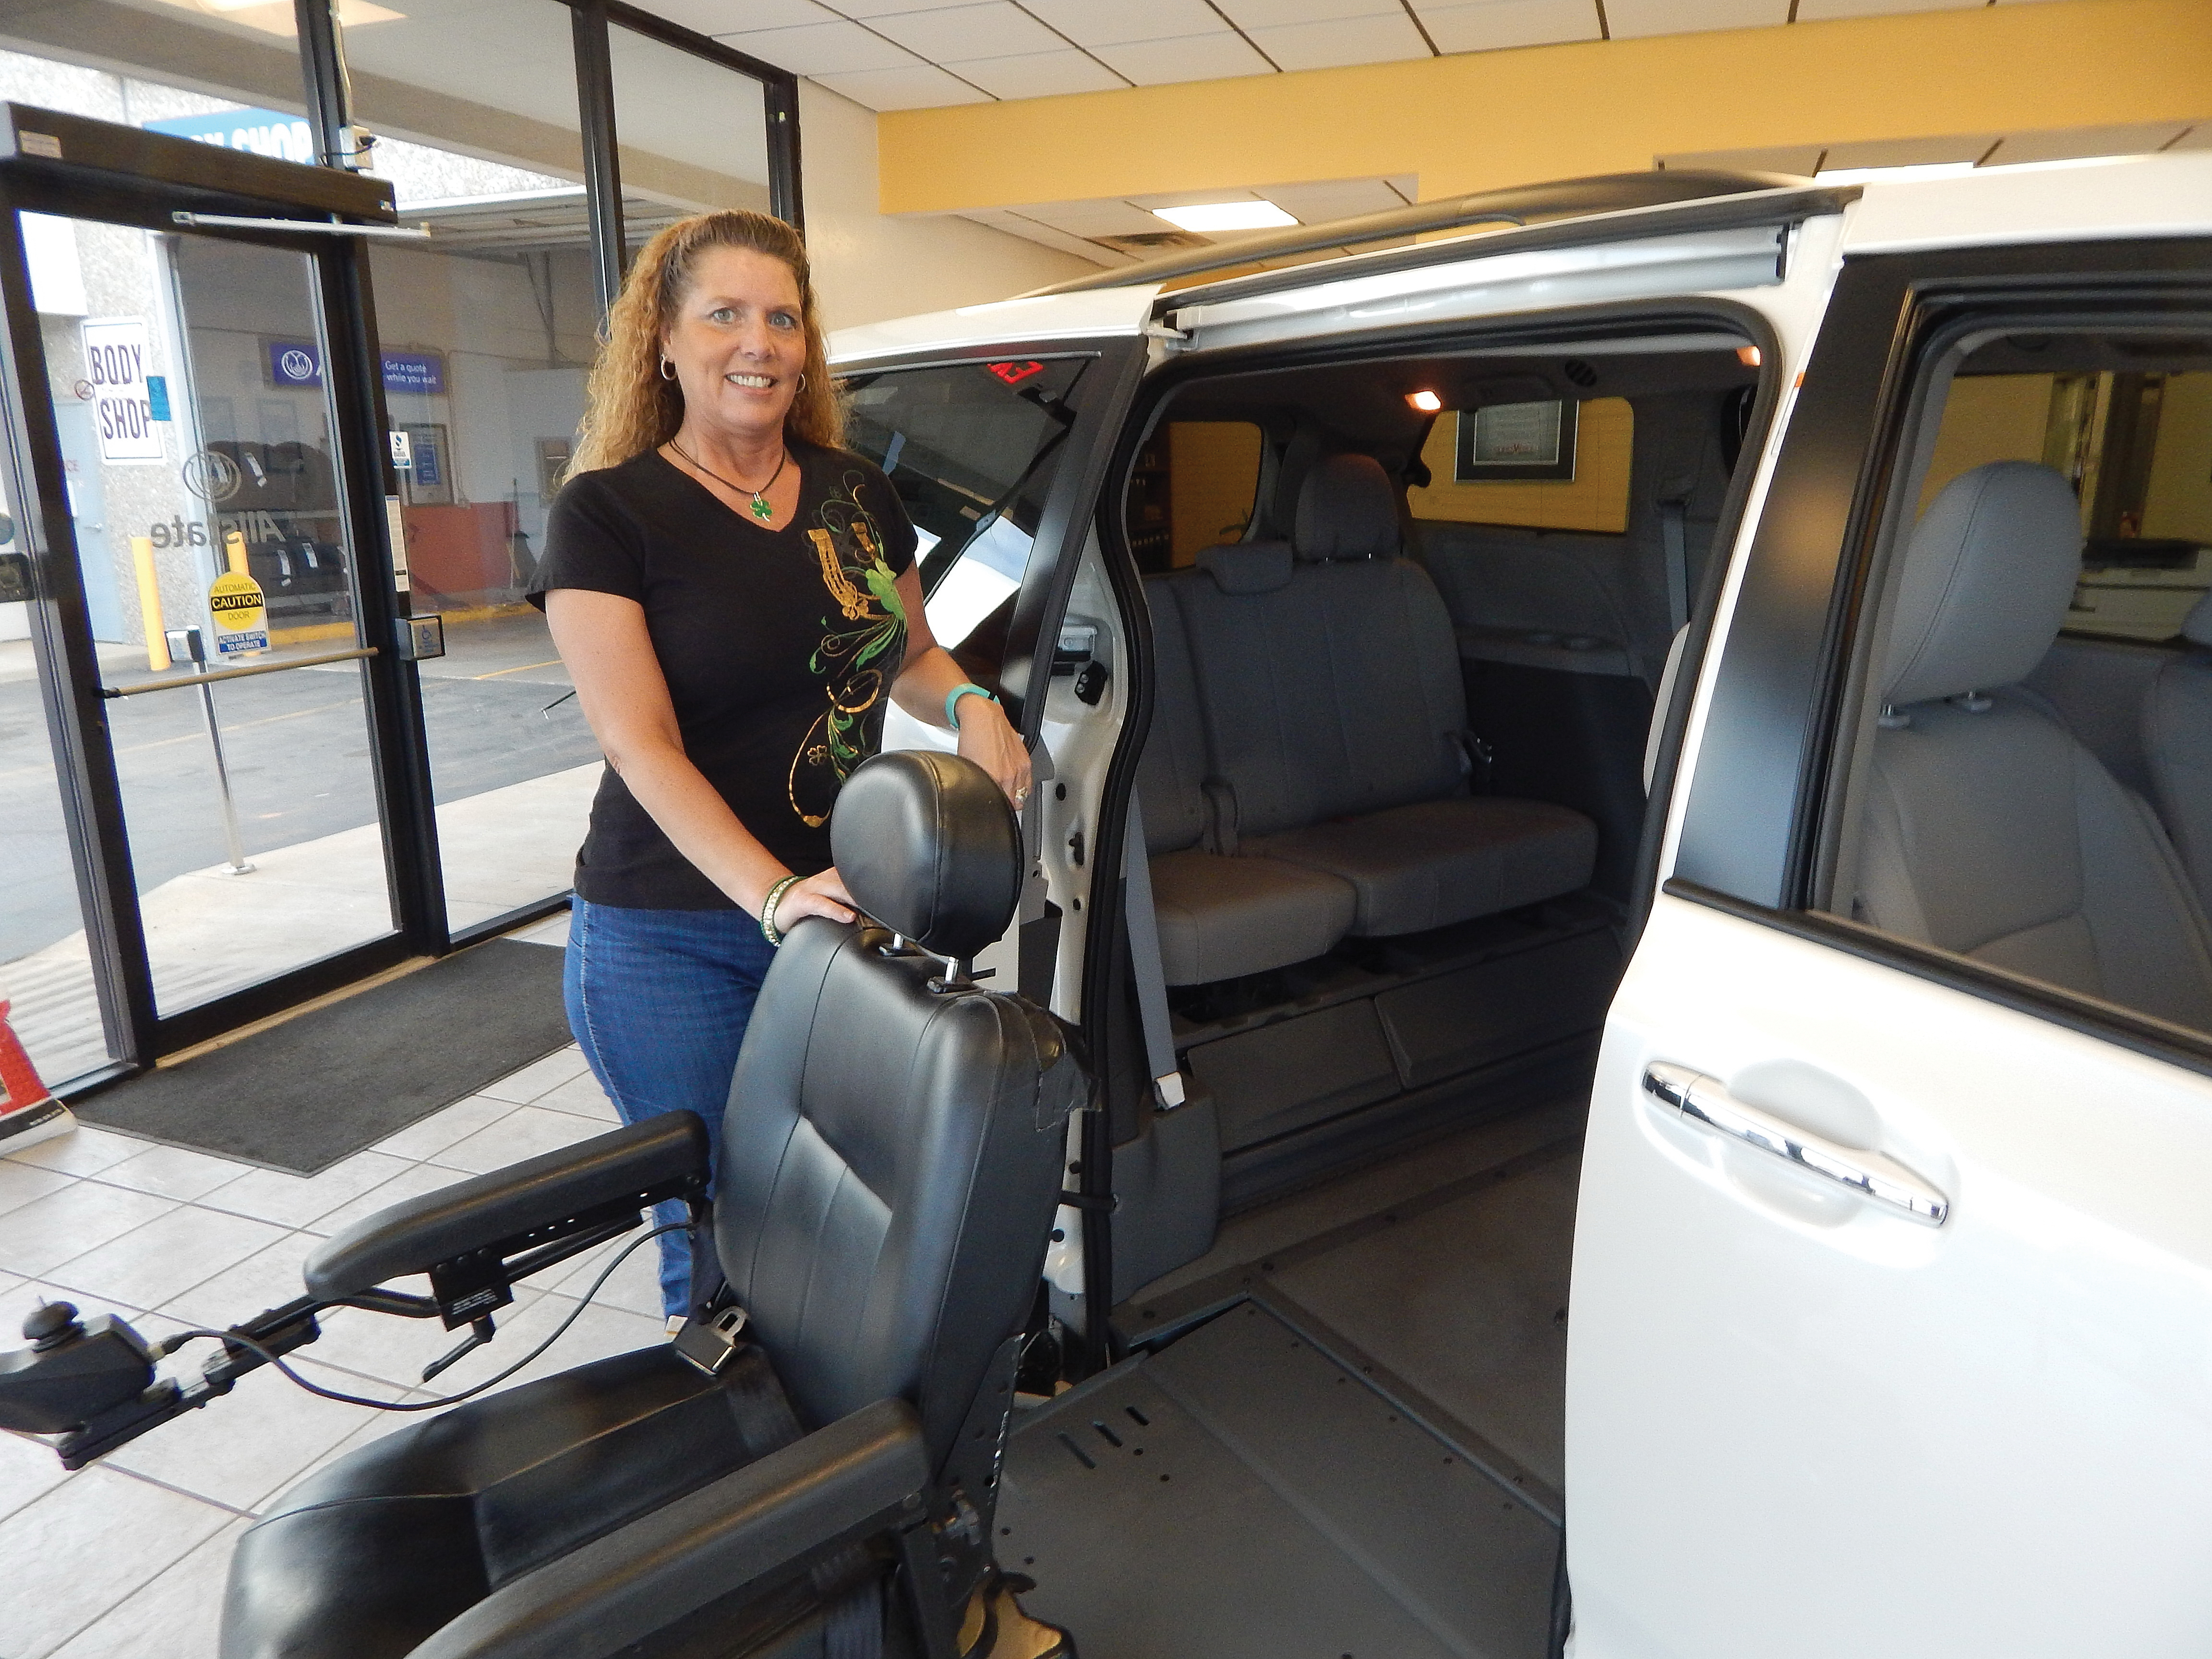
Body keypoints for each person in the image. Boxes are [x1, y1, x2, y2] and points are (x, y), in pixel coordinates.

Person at [531, 210, 1032, 1326]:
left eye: (781, 318)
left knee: (845, 1206)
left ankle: (835, 1449)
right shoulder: (609, 515)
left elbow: (908, 650)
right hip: (675, 933)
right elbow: (637, 740)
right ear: (664, 339)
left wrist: (970, 705)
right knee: (719, 1231)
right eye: (724, 316)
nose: (757, 343)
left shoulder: (858, 495)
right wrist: (773, 892)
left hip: (838, 911)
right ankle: (735, 1464)